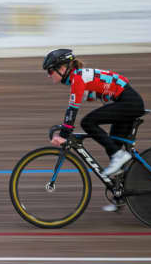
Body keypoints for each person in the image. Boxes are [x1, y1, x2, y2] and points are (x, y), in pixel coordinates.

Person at [44, 48, 145, 199]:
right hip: (127, 102)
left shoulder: (78, 77)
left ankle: (119, 156)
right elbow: (80, 102)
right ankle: (121, 194)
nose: (48, 75)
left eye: (51, 71)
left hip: (129, 102)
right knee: (113, 146)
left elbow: (72, 109)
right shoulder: (78, 77)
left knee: (88, 122)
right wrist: (65, 128)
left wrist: (64, 134)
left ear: (63, 68)